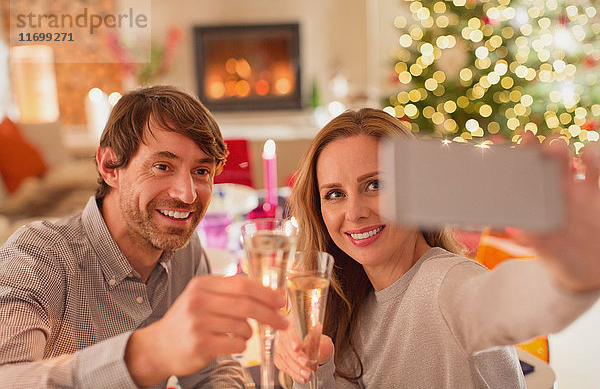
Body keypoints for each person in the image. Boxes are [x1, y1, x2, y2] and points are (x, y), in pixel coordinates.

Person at [274, 108, 600, 388]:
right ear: (319, 209)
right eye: (335, 194)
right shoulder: (349, 301)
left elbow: (512, 303)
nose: (354, 211)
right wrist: (313, 366)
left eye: (375, 185)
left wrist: (572, 274)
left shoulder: (447, 284)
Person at [0, 85, 288, 388]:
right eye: (162, 167)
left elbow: (212, 370)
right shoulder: (35, 257)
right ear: (110, 166)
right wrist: (148, 353)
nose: (187, 194)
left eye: (201, 171)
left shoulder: (186, 252)